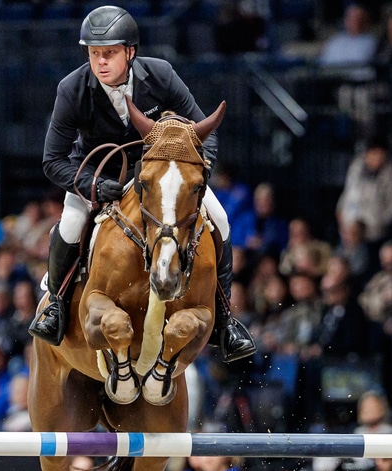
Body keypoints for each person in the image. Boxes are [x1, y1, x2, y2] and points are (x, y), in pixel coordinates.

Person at [30, 6, 256, 363]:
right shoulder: (72, 88)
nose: (100, 62)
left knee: (222, 219)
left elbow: (204, 131)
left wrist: (199, 170)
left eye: (109, 53)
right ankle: (56, 306)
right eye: (94, 53)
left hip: (159, 176)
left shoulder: (160, 74)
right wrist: (92, 186)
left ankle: (226, 319)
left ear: (130, 51)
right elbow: (53, 160)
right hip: (97, 176)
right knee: (71, 224)